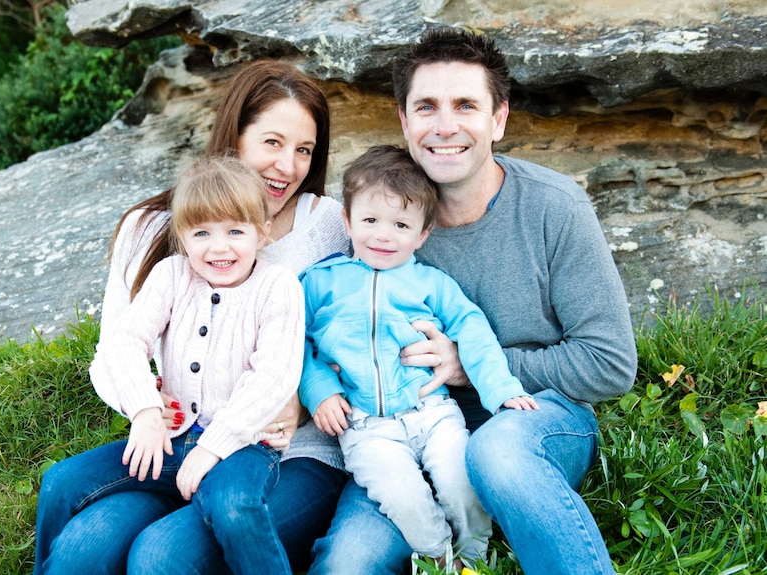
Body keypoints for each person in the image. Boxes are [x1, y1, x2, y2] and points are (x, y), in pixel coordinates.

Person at [306, 28, 638, 575]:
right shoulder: (380, 221)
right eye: (427, 107)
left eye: (466, 105)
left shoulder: (555, 208)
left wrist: (470, 366)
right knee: (348, 560)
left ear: (498, 119)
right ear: (405, 121)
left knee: (495, 454)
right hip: (403, 428)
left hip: (532, 417)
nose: (445, 126)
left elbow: (610, 365)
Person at [34, 60, 351, 575]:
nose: (288, 166)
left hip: (287, 454)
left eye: (304, 150)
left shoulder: (328, 225)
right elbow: (113, 352)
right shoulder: (153, 231)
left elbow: (364, 333)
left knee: (159, 557)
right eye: (272, 142)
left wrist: (302, 398)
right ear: (234, 136)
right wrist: (145, 405)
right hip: (173, 438)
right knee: (80, 552)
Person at [300, 144, 539, 568]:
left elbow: (473, 329)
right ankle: (441, 559)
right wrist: (318, 387)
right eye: (370, 220)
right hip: (366, 426)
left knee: (461, 482)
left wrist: (501, 389)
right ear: (348, 221)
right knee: (405, 499)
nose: (383, 235)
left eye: (401, 224)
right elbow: (291, 342)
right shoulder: (321, 283)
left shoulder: (431, 283)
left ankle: (473, 556)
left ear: (423, 232)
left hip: (432, 411)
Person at [81, 155, 305, 574]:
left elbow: (273, 376)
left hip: (243, 444)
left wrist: (212, 448)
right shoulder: (171, 275)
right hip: (172, 436)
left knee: (233, 505)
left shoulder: (278, 286)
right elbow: (125, 340)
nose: (218, 247)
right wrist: (146, 410)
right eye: (201, 232)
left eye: (235, 231)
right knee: (63, 482)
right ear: (183, 237)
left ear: (262, 231)